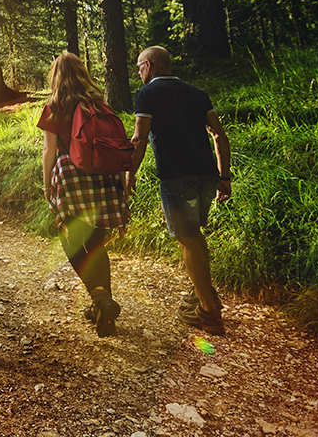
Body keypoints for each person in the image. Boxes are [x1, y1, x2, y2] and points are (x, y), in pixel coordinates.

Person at [130, 45, 232, 336]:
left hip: (176, 177)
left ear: (149, 65)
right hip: (206, 175)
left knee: (187, 240)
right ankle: (204, 294)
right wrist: (224, 176)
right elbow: (219, 135)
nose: (139, 73)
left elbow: (138, 140)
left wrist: (129, 175)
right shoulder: (198, 93)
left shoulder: (146, 94)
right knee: (195, 237)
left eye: (139, 67)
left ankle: (209, 314)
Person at [37, 52, 131, 337]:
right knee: (97, 242)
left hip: (71, 175)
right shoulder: (98, 103)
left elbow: (49, 151)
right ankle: (104, 313)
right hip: (104, 175)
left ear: (56, 75)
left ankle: (100, 298)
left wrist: (46, 185)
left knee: (73, 243)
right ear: (82, 72)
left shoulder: (53, 106)